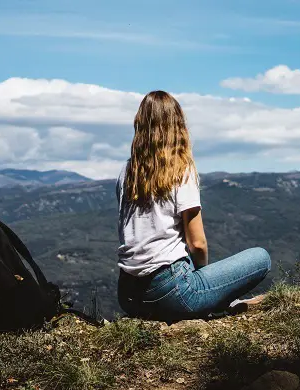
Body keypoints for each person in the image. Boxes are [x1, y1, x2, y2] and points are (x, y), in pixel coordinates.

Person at [116, 90, 271, 322]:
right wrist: (201, 275)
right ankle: (216, 302)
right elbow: (197, 243)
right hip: (171, 292)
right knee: (261, 257)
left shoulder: (127, 172)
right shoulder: (181, 169)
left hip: (128, 295)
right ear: (178, 124)